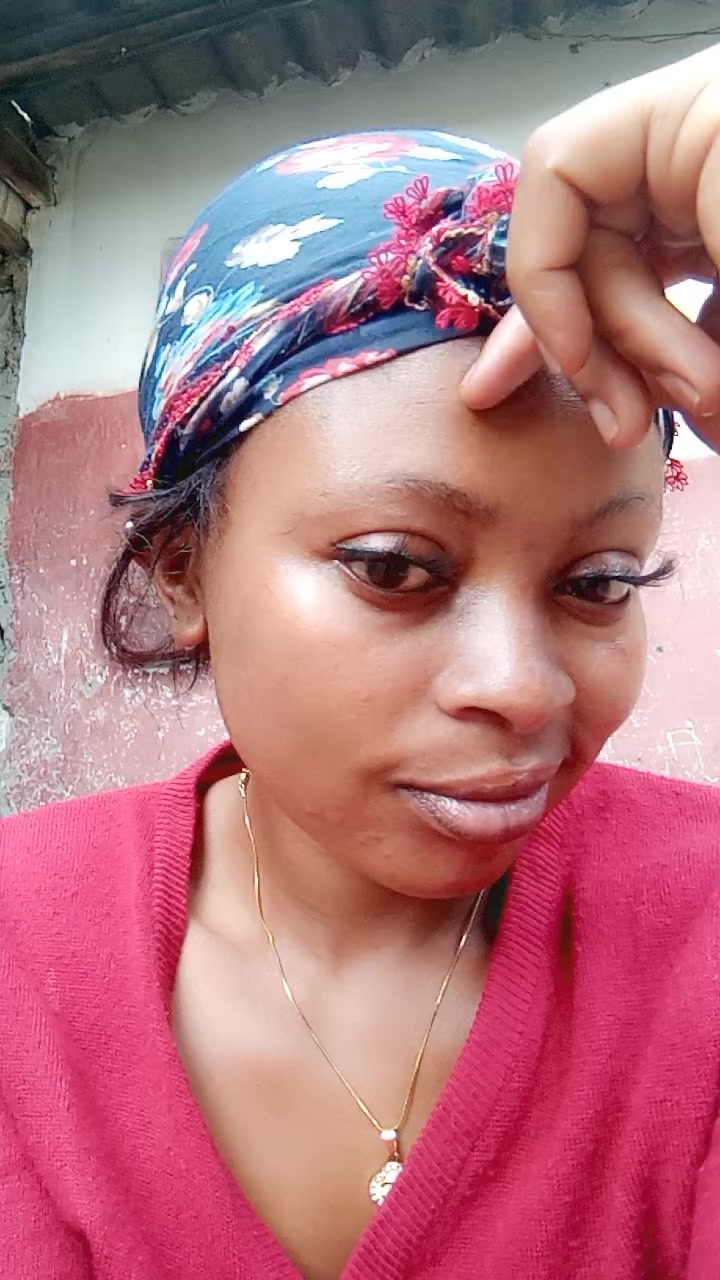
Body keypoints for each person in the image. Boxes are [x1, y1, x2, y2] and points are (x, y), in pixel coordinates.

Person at [1, 120, 719, 1280]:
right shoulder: (20, 940)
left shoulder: (699, 921)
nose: (520, 687)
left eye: (598, 583)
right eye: (394, 565)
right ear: (184, 568)